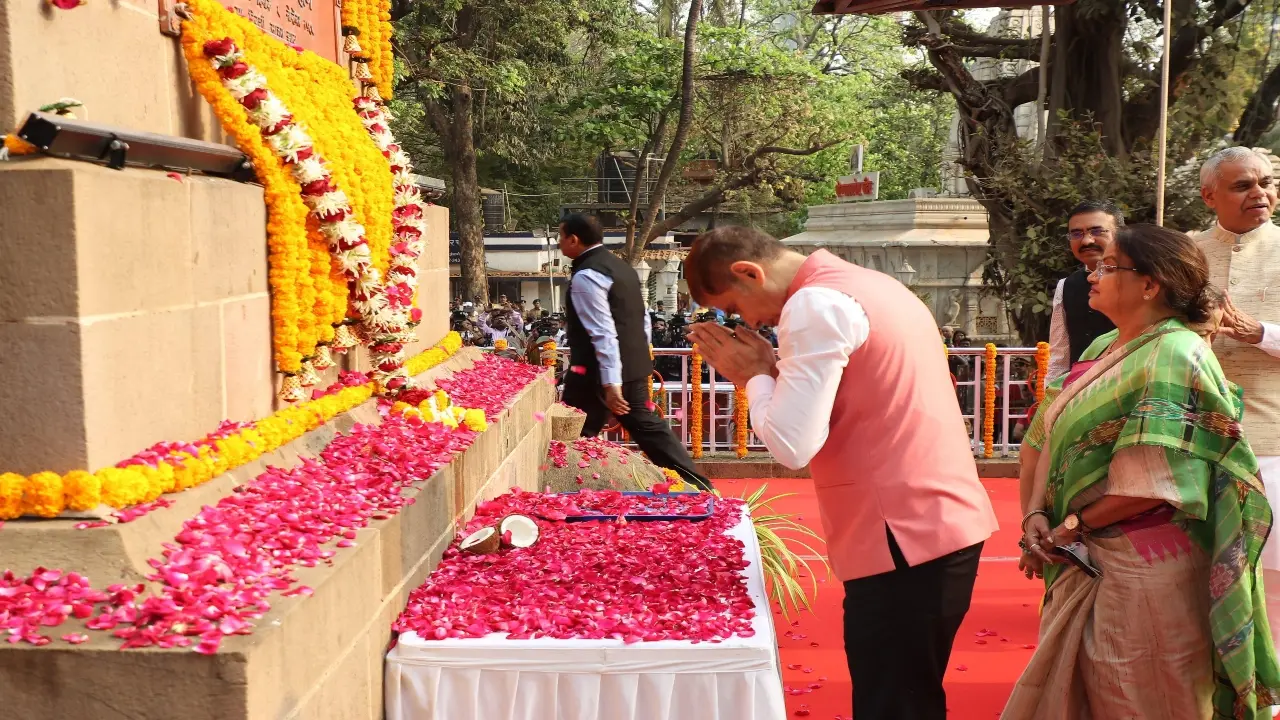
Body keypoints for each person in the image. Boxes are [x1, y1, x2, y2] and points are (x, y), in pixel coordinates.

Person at [684, 227, 997, 720]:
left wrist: (754, 377)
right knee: (906, 694)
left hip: (903, 532)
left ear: (749, 273)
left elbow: (792, 444)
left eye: (734, 309)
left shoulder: (814, 306)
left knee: (893, 702)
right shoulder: (868, 283)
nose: (748, 323)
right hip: (931, 520)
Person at [1008, 224, 1280, 719]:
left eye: (1108, 267)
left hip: (1144, 567)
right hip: (1087, 551)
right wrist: (1036, 516)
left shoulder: (1175, 353)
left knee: (1136, 695)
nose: (1092, 275)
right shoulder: (1105, 348)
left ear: (1149, 285)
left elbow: (1157, 482)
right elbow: (1050, 432)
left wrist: (1068, 529)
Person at [557, 213, 710, 490]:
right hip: (632, 364)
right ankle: (697, 485)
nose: (558, 243)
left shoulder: (588, 275)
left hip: (596, 374)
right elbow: (642, 319)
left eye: (560, 236)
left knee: (572, 434)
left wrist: (611, 384)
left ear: (573, 239)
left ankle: (564, 490)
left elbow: (602, 333)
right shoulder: (622, 267)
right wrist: (641, 359)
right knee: (645, 426)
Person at [1193, 147, 1280, 574]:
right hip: (1192, 441)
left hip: (1273, 442)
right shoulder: (1185, 254)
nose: (1259, 193)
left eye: (1266, 183)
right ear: (1209, 196)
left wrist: (1262, 334)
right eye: (1243, 185)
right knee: (1197, 579)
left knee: (1272, 582)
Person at [1046, 200, 1121, 381]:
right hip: (1078, 394)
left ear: (1121, 235)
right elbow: (1059, 355)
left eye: (1097, 231)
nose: (1087, 240)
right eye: (1077, 234)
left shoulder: (1140, 280)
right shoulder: (1066, 286)